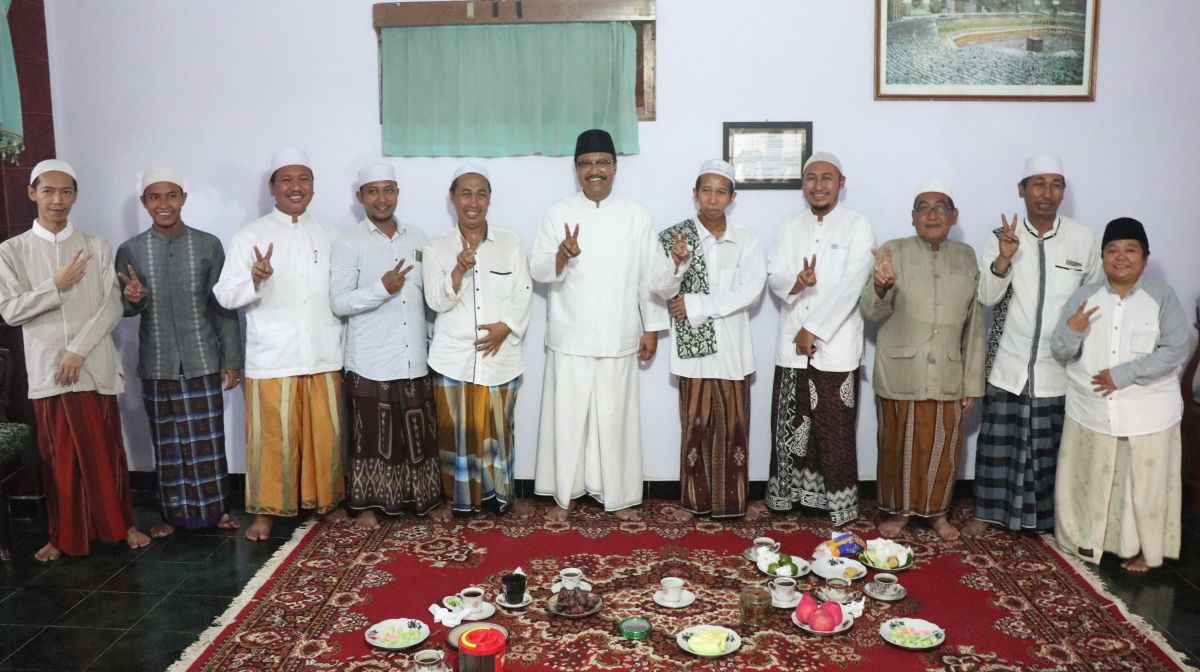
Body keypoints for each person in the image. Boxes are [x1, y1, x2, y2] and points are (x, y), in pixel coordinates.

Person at [531, 129, 687, 522]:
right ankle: (562, 499)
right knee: (567, 421)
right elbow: (537, 269)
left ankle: (618, 497)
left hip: (620, 334)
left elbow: (648, 277)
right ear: (576, 169)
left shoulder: (635, 214)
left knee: (616, 420)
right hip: (570, 335)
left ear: (615, 167)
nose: (594, 170)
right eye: (586, 164)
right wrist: (562, 257)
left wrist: (651, 327)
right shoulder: (557, 213)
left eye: (602, 162)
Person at [0, 159, 150, 561]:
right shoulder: (12, 251)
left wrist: (77, 350)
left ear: (76, 196)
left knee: (106, 453)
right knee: (59, 458)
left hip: (93, 365)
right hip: (50, 370)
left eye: (66, 191)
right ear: (32, 193)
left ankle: (123, 525)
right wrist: (56, 285)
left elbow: (111, 306)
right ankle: (63, 536)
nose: (58, 200)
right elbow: (11, 311)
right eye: (48, 191)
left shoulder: (96, 245)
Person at [213, 148, 346, 541]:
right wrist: (254, 278)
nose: (295, 187)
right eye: (286, 180)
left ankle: (328, 503)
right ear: (272, 188)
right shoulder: (251, 235)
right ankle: (266, 513)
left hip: (324, 352)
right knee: (273, 440)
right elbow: (224, 295)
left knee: (325, 437)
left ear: (313, 188)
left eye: (303, 179)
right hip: (273, 356)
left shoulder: (330, 232)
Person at [965, 155, 1099, 537]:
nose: (1047, 193)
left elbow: (1093, 299)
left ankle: (1044, 518)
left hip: (1058, 364)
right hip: (1008, 360)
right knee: (998, 446)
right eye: (1037, 184)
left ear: (1063, 192)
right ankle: (988, 513)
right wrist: (1005, 259)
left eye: (1055, 184)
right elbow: (987, 297)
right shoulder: (1000, 235)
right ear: (1021, 190)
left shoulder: (1082, 238)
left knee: (1047, 449)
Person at [1051, 218, 1189, 573]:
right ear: (1102, 257)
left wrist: (1122, 375)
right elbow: (1060, 349)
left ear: (1145, 256)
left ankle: (1145, 549)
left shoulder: (1162, 297)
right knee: (1091, 481)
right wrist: (1074, 331)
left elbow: (1175, 349)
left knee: (1142, 489)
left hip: (1148, 413)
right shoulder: (1086, 297)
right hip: (1091, 411)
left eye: (1130, 250)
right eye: (1112, 250)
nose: (1121, 257)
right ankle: (1088, 541)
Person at [115, 166, 243, 537]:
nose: (164, 204)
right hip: (158, 362)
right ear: (144, 202)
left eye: (171, 195)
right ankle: (172, 515)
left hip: (203, 357)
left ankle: (216, 511)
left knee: (207, 439)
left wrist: (231, 359)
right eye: (155, 197)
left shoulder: (208, 245)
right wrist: (132, 299)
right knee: (168, 442)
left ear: (183, 198)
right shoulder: (131, 250)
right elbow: (124, 308)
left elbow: (222, 306)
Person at [859, 180, 984, 541]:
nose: (932, 214)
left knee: (944, 449)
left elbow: (974, 322)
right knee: (898, 445)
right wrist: (881, 286)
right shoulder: (892, 250)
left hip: (948, 370)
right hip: (900, 369)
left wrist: (971, 381)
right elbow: (870, 309)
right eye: (923, 208)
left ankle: (938, 514)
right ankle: (898, 513)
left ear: (953, 216)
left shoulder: (966, 255)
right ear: (913, 218)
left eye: (940, 207)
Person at [760, 151, 874, 527]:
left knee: (834, 429)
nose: (819, 185)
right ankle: (788, 498)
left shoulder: (857, 225)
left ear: (841, 183)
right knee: (790, 427)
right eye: (811, 177)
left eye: (827, 178)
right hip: (793, 346)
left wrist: (815, 330)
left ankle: (836, 505)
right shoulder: (788, 226)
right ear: (803, 184)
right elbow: (773, 272)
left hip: (836, 346)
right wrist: (797, 282)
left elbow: (852, 286)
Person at [330, 163, 441, 529]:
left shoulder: (418, 237)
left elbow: (427, 296)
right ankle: (367, 506)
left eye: (388, 189)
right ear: (360, 197)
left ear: (397, 193)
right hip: (370, 359)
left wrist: (432, 342)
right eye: (373, 191)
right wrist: (382, 288)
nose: (382, 198)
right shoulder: (349, 242)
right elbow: (340, 302)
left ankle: (421, 500)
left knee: (416, 433)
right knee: (371, 437)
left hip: (413, 356)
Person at [425, 165, 533, 519]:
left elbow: (524, 291)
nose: (473, 202)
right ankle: (455, 501)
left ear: (489, 200)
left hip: (501, 356)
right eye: (465, 194)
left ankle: (502, 499)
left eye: (481, 194)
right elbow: (436, 303)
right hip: (452, 357)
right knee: (453, 434)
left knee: (499, 433)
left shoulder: (510, 241)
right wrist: (457, 271)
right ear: (453, 199)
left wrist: (507, 326)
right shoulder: (436, 247)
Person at [662, 159, 765, 521]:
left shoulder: (747, 240)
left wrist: (695, 305)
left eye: (721, 191)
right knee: (696, 425)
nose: (713, 197)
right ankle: (693, 503)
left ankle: (734, 502)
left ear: (732, 197)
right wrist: (677, 265)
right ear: (695, 194)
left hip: (733, 348)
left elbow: (750, 292)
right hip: (694, 351)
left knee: (734, 425)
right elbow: (660, 289)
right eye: (706, 189)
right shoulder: (677, 237)